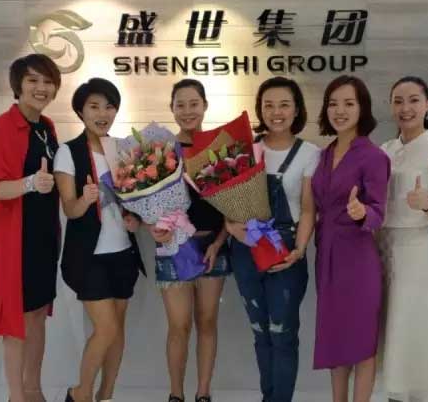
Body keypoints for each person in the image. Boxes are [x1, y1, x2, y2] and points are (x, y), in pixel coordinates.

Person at [225, 76, 319, 402]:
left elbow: (308, 209)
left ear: (297, 110)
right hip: (246, 250)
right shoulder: (244, 150)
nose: (276, 112)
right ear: (260, 110)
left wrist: (299, 250)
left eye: (284, 105)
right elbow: (225, 198)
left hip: (286, 252)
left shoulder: (309, 153)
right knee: (260, 333)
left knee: (283, 334)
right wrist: (230, 226)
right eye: (269, 105)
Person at [54, 78, 144, 402]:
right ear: (81, 111)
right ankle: (80, 394)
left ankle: (105, 395)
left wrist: (135, 219)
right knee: (106, 329)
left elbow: (134, 199)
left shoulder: (122, 149)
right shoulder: (68, 152)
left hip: (123, 253)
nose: (102, 113)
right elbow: (70, 209)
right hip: (88, 256)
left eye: (109, 106)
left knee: (117, 330)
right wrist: (86, 198)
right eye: (94, 106)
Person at [0, 53, 61, 402]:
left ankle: (33, 389)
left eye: (48, 81)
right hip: (18, 240)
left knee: (38, 314)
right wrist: (29, 183)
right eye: (33, 80)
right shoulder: (0, 128)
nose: (41, 88)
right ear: (18, 86)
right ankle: (16, 396)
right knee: (17, 320)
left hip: (45, 237)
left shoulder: (47, 127)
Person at [378, 76, 428, 402]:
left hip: (416, 252)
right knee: (389, 329)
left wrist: (427, 204)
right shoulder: (385, 150)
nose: (405, 108)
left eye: (413, 100)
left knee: (414, 328)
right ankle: (395, 395)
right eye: (398, 101)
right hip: (382, 248)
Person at [150, 79, 230, 402]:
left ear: (205, 106)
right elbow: (146, 201)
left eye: (193, 104)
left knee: (207, 322)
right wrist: (153, 226)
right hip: (173, 247)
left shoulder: (220, 148)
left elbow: (234, 206)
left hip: (213, 247)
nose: (187, 111)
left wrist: (219, 243)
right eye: (180, 105)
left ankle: (203, 393)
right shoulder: (161, 153)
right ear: (171, 109)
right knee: (179, 326)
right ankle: (176, 394)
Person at [310, 75, 390, 402]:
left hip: (357, 259)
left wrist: (362, 212)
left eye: (348, 103)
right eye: (333, 104)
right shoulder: (324, 155)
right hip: (327, 257)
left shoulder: (373, 156)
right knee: (335, 340)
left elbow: (379, 211)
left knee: (361, 343)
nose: (339, 111)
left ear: (362, 108)